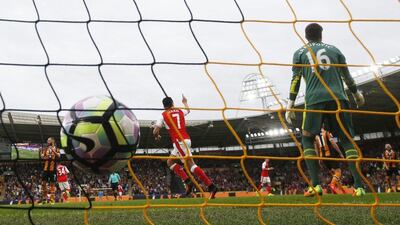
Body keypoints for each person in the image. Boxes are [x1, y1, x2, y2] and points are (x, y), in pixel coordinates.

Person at [285, 23, 366, 197]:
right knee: (346, 139)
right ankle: (359, 187)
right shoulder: (335, 50)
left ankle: (316, 185)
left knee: (307, 139)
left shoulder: (300, 53)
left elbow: (296, 79)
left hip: (314, 100)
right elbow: (347, 76)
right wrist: (356, 94)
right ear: (321, 35)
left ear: (306, 36)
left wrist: (290, 102)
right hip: (339, 98)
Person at [153, 95, 218, 199]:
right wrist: (185, 102)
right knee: (170, 162)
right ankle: (188, 182)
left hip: (179, 142)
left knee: (191, 165)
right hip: (186, 140)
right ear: (173, 104)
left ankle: (211, 186)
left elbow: (155, 131)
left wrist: (157, 135)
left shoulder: (163, 115)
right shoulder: (180, 111)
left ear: (164, 106)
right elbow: (188, 110)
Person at [314, 127, 346, 194]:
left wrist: (319, 159)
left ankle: (341, 191)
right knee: (338, 172)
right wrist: (340, 153)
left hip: (322, 157)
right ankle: (332, 185)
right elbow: (333, 143)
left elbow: (316, 149)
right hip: (330, 154)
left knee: (334, 174)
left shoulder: (316, 136)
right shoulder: (326, 132)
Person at [39, 137, 60, 205]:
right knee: (43, 184)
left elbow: (59, 156)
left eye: (49, 140)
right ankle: (44, 199)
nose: (47, 141)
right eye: (47, 140)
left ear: (52, 141)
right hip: (45, 169)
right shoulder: (46, 149)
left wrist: (53, 150)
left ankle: (52, 200)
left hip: (53, 169)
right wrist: (40, 152)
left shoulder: (57, 148)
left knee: (52, 185)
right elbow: (42, 156)